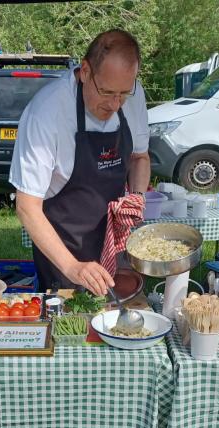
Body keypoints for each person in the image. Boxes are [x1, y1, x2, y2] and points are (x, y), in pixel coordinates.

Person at [10, 29, 150, 296]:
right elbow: (27, 207)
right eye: (107, 92)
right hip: (64, 248)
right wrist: (73, 267)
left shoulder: (131, 95)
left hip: (115, 240)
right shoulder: (46, 113)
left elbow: (140, 157)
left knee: (120, 318)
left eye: (123, 94)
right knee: (71, 326)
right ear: (85, 71)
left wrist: (137, 197)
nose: (115, 105)